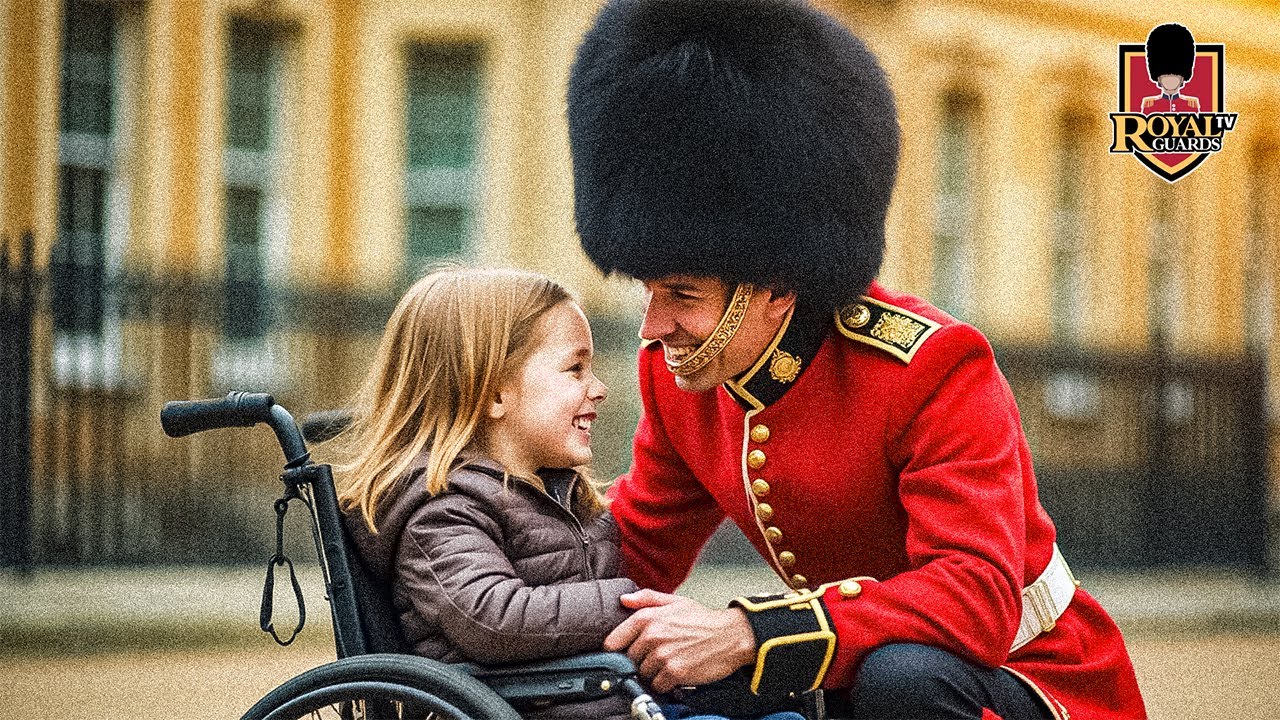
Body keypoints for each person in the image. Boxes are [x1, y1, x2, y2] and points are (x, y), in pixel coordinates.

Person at [565, 2, 1148, 719]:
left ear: (775, 283)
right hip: (851, 668)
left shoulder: (932, 368)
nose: (655, 329)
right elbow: (634, 549)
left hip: (1025, 674)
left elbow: (974, 598)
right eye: (650, 292)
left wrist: (751, 632)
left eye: (681, 294)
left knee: (901, 681)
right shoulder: (685, 381)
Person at [336, 267, 804, 720]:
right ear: (494, 392)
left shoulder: (562, 496)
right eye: (575, 369)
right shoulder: (443, 508)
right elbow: (491, 619)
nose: (598, 389)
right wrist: (625, 601)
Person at [1140, 23, 1201, 114]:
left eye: (1175, 75)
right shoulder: (1149, 105)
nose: (1170, 79)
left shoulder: (1191, 105)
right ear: (1159, 78)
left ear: (1182, 78)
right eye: (1166, 75)